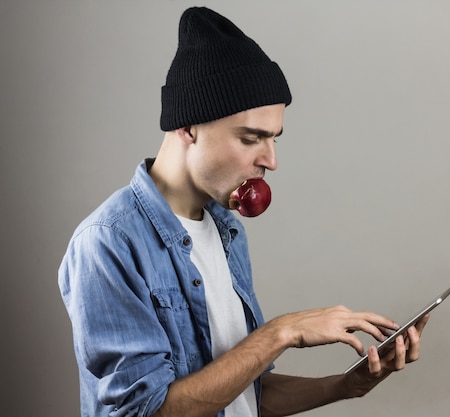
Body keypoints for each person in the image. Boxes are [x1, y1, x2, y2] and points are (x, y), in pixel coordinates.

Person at [58, 7, 428, 417]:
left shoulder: (225, 230)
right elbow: (146, 412)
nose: (271, 160)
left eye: (274, 139)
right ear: (188, 127)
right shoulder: (107, 243)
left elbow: (243, 393)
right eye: (252, 138)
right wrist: (279, 333)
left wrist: (346, 386)